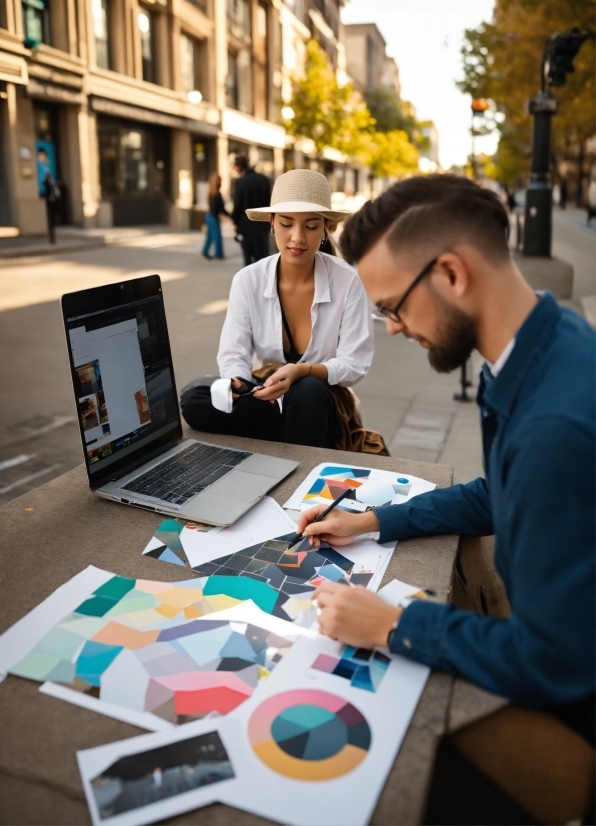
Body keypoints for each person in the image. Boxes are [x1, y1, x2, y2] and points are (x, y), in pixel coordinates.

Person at [297, 175, 595, 820]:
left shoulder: (555, 424)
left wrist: (394, 624)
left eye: (393, 307)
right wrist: (372, 519)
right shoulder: (544, 347)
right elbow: (502, 494)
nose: (395, 328)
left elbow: (552, 664)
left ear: (453, 274)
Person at [180, 169, 374, 448]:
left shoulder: (347, 281)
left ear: (325, 228)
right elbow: (234, 352)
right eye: (286, 224)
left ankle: (299, 460)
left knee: (307, 392)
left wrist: (302, 371)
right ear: (271, 222)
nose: (297, 237)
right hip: (266, 393)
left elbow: (355, 364)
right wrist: (237, 383)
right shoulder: (248, 280)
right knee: (194, 398)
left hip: (323, 399)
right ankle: (287, 435)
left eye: (310, 226)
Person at [231, 155, 271, 265]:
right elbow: (269, 201)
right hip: (263, 222)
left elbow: (238, 204)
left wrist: (234, 221)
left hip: (246, 224)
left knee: (248, 256)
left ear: (238, 166)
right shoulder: (264, 179)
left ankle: (250, 281)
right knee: (263, 255)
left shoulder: (241, 181)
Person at [202, 172, 229, 260]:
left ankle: (205, 251)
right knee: (217, 236)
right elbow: (221, 209)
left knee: (210, 236)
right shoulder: (217, 194)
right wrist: (231, 216)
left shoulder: (211, 192)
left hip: (209, 216)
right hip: (213, 217)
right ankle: (219, 254)